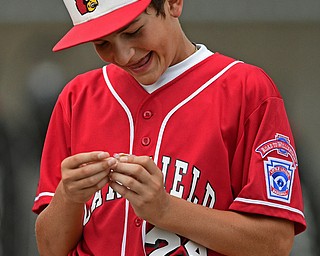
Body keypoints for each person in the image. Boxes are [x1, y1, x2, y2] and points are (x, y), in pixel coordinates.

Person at [32, 0, 306, 255]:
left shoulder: (246, 90)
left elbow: (275, 242)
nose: (124, 55)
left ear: (173, 2)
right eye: (102, 43)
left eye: (134, 31)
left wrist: (166, 210)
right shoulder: (77, 97)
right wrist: (67, 197)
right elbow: (49, 248)